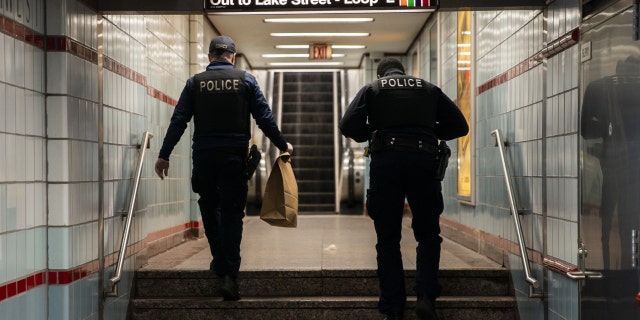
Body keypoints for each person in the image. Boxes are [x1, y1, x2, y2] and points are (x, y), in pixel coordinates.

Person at [155, 35, 293, 301]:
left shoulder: (194, 83)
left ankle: (219, 259)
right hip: (234, 157)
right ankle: (229, 274)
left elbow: (179, 120)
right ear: (233, 55)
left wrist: (164, 155)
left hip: (204, 156)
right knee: (232, 214)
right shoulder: (246, 81)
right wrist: (282, 144)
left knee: (208, 206)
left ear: (210, 57)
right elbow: (264, 117)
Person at [339, 58, 468, 320]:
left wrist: (372, 132)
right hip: (424, 162)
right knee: (428, 234)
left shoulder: (373, 89)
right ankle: (426, 298)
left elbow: (347, 125)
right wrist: (430, 130)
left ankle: (393, 306)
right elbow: (460, 126)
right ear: (404, 73)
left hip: (386, 162)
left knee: (388, 238)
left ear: (381, 73)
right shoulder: (429, 88)